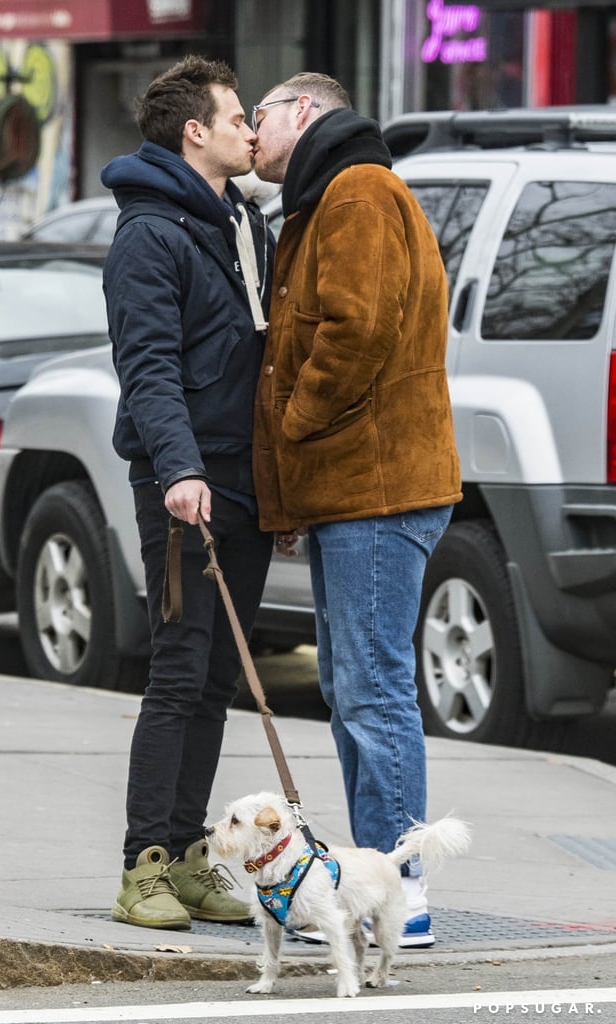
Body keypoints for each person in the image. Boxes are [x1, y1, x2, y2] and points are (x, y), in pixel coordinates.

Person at [251, 72, 462, 948]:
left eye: (257, 116)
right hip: (357, 488)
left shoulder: (356, 191)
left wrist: (296, 428)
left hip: (377, 488)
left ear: (304, 112)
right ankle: (379, 882)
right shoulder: (334, 195)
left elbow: (355, 329)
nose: (250, 133)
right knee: (352, 689)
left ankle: (398, 892)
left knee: (371, 694)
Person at [101, 55, 274, 930]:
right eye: (238, 116)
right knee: (177, 672)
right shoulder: (150, 234)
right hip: (184, 484)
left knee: (215, 679)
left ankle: (193, 852)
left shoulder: (238, 219)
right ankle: (145, 865)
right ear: (193, 131)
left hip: (241, 482)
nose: (252, 128)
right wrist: (178, 470)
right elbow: (149, 366)